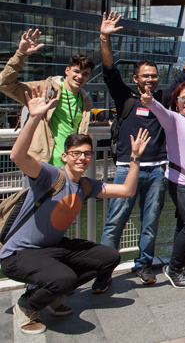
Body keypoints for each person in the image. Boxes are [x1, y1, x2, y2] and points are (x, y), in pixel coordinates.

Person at [1, 86, 150, 335]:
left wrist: (135, 158)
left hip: (51, 250)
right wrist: (35, 116)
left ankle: (53, 292)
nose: (82, 158)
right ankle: (27, 305)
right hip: (18, 254)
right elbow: (18, 155)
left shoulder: (85, 185)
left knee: (109, 257)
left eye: (87, 154)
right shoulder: (49, 175)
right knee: (65, 279)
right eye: (76, 154)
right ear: (65, 156)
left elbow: (126, 190)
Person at [93, 12, 185, 292]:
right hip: (125, 167)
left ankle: (144, 264)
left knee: (151, 222)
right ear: (136, 78)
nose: (150, 80)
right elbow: (108, 70)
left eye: (154, 76)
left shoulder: (164, 98)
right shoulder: (125, 97)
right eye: (145, 76)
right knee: (114, 221)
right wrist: (104, 37)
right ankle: (104, 271)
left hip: (157, 170)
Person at [141, 83, 185, 288]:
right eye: (182, 99)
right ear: (176, 102)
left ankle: (179, 265)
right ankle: (173, 268)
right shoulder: (174, 119)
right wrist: (150, 102)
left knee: (183, 224)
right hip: (180, 179)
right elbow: (160, 111)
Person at [0, 28, 94, 166]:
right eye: (76, 71)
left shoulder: (85, 100)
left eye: (85, 74)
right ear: (67, 71)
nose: (80, 77)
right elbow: (4, 84)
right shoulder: (46, 89)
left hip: (69, 168)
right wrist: (20, 55)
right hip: (41, 165)